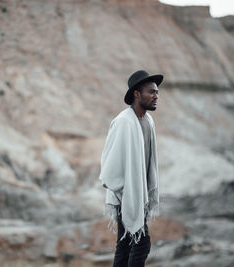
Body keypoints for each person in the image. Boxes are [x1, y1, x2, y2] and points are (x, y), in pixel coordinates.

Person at [99, 70, 163, 267]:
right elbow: (109, 164)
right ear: (137, 93)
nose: (156, 96)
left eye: (157, 92)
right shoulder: (123, 122)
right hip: (124, 197)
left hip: (138, 195)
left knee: (125, 245)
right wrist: (120, 195)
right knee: (142, 244)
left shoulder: (148, 121)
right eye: (151, 92)